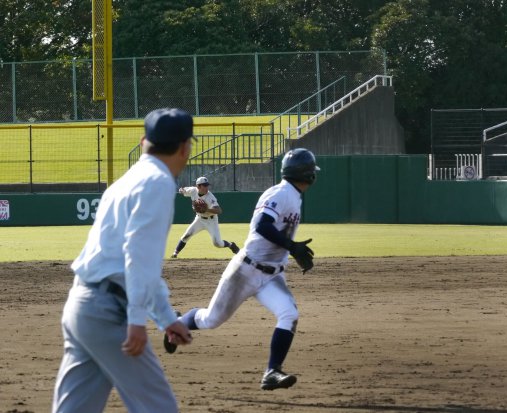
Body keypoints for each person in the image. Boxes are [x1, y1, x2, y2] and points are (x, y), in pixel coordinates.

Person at [52, 108, 195, 413]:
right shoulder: (158, 182)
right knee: (159, 408)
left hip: (81, 307)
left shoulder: (125, 181)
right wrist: (137, 321)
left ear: (144, 141)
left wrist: (166, 318)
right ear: (185, 148)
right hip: (109, 313)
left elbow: (135, 262)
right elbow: (139, 257)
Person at [164, 148, 318, 391]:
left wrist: (293, 251)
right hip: (245, 270)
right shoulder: (280, 193)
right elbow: (261, 225)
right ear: (306, 174)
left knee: (289, 314)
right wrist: (292, 246)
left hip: (272, 275)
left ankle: (272, 371)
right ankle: (176, 322)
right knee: (211, 319)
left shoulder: (295, 196)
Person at [171, 176, 239, 258]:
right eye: (204, 185)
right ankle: (175, 254)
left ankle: (230, 245)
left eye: (207, 185)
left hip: (211, 221)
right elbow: (182, 190)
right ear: (198, 186)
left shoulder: (210, 197)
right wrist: (181, 190)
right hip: (199, 219)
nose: (207, 187)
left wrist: (207, 209)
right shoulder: (193, 190)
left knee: (217, 243)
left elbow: (219, 211)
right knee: (186, 235)